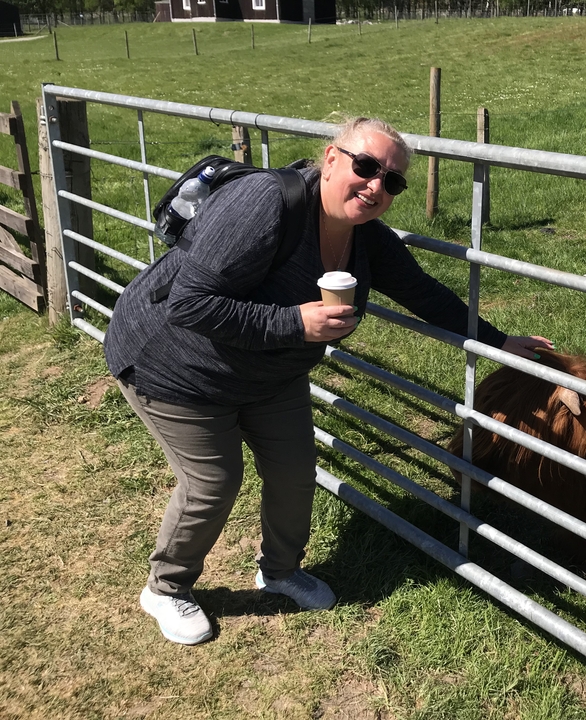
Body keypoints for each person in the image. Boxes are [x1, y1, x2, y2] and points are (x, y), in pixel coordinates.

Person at [104, 117, 552, 646]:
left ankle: (279, 570)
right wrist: (296, 323)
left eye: (393, 180)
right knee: (213, 482)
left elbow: (422, 291)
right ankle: (166, 586)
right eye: (366, 166)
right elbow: (189, 303)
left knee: (295, 471)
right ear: (332, 158)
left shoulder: (366, 238)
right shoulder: (264, 206)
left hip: (270, 371)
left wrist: (498, 342)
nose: (376, 185)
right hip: (176, 365)